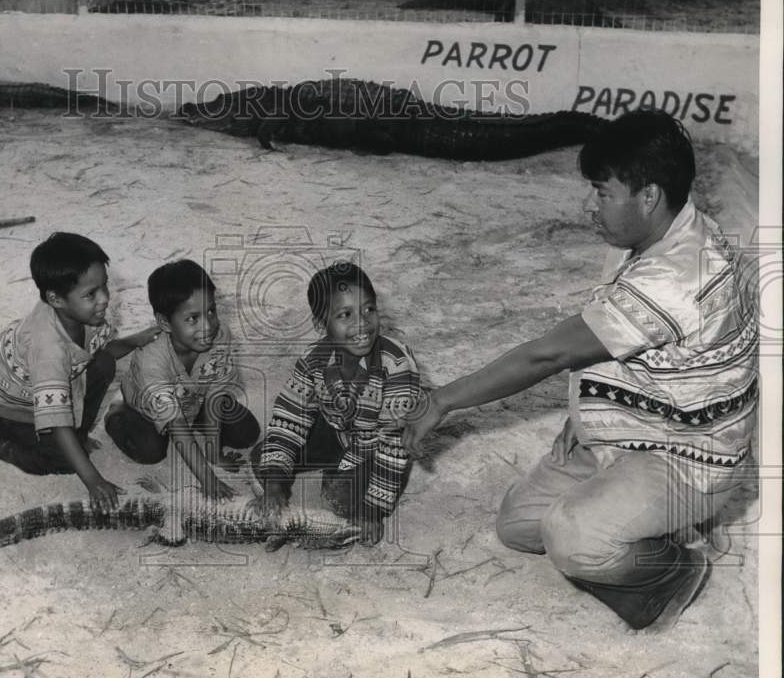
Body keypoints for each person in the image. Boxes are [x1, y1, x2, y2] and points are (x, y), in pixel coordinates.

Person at [404, 109, 758, 631]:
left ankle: (674, 571)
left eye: (602, 192)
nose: (591, 206)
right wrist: (593, 414)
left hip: (690, 454)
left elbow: (548, 355)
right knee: (520, 528)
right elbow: (628, 349)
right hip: (637, 429)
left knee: (573, 538)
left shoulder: (677, 276)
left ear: (649, 196)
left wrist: (441, 401)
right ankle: (642, 516)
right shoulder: (658, 234)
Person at [0, 232, 160, 508]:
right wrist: (93, 481)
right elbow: (55, 421)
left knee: (103, 364)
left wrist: (137, 339)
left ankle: (74, 439)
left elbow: (100, 352)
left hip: (52, 389)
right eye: (91, 294)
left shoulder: (82, 313)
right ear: (56, 299)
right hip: (12, 411)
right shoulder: (48, 348)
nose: (103, 299)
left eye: (104, 286)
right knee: (66, 462)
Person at [253, 262, 422, 545]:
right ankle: (333, 468)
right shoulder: (313, 359)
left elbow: (393, 445)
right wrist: (275, 486)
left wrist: (373, 511)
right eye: (346, 315)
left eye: (369, 309)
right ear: (322, 325)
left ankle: (345, 476)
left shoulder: (397, 364)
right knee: (265, 460)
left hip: (378, 446)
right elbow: (289, 420)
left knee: (343, 502)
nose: (362, 324)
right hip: (337, 433)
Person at [105, 259, 261, 499]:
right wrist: (208, 479)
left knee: (246, 433)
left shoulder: (220, 337)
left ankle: (192, 419)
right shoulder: (152, 358)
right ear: (165, 322)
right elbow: (176, 426)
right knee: (151, 451)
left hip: (191, 399)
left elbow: (215, 396)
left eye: (211, 311)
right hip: (142, 409)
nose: (208, 325)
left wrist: (213, 452)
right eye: (192, 318)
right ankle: (117, 412)